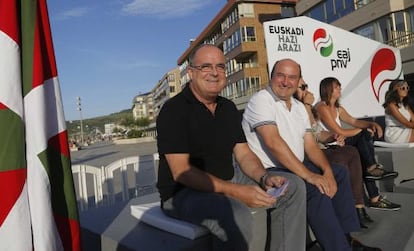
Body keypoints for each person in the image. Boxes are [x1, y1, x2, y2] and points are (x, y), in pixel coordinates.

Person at [156, 44, 307, 251]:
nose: (215, 73)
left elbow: (244, 154)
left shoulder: (227, 108)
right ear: (190, 72)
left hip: (228, 178)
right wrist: (237, 191)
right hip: (183, 193)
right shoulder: (174, 110)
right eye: (206, 67)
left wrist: (264, 177)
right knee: (234, 211)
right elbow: (182, 172)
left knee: (293, 186)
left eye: (220, 66)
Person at [242, 58, 380, 250]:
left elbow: (310, 145)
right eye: (280, 75)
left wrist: (326, 172)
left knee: (338, 173)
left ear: (298, 80)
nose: (285, 81)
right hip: (269, 170)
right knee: (314, 187)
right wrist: (311, 176)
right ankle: (339, 248)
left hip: (293, 164)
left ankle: (346, 238)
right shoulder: (261, 100)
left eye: (292, 77)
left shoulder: (298, 107)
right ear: (271, 77)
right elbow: (273, 143)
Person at [294, 79, 373, 228]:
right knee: (341, 162)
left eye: (306, 86)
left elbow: (314, 131)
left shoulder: (304, 107)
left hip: (319, 149)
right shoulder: (305, 107)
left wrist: (332, 137)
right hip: (306, 155)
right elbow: (310, 138)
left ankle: (358, 207)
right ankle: (348, 217)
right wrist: (306, 105)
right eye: (302, 87)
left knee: (351, 151)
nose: (306, 90)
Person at [315, 77, 401, 211]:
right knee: (362, 135)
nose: (339, 89)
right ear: (328, 89)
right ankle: (373, 175)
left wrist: (371, 124)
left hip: (341, 141)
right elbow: (338, 131)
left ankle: (374, 189)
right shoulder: (321, 107)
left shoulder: (338, 108)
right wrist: (363, 129)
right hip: (330, 143)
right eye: (336, 87)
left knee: (364, 143)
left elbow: (354, 122)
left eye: (339, 86)